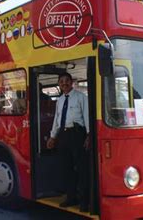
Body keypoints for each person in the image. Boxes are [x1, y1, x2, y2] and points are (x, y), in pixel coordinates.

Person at [46, 72, 90, 212]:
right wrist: (53, 137)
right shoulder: (59, 100)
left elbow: (87, 116)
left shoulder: (81, 97)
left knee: (82, 169)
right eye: (61, 81)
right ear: (59, 84)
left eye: (66, 81)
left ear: (72, 82)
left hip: (77, 134)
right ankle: (71, 198)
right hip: (63, 136)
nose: (64, 83)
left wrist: (89, 135)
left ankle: (84, 201)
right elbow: (57, 120)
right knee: (67, 168)